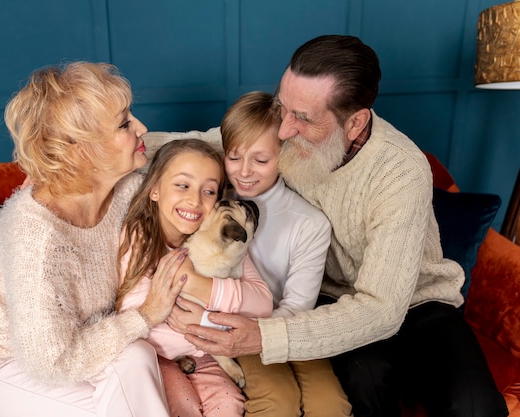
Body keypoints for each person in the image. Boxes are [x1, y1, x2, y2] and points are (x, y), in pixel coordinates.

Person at [171, 35, 509, 416]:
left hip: (416, 300)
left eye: (303, 118)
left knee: (476, 405)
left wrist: (261, 337)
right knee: (365, 382)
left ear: (355, 123)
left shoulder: (400, 172)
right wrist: (116, 143)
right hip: (331, 299)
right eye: (283, 108)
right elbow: (202, 142)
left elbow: (381, 309)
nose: (283, 130)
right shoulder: (284, 134)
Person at [0, 62, 188, 417]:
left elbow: (190, 151)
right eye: (124, 123)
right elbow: (52, 361)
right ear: (80, 151)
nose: (143, 128)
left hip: (79, 339)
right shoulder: (38, 239)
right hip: (2, 358)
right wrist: (147, 314)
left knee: (137, 358)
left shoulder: (126, 184)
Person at [216, 90, 351, 417]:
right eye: (234, 157)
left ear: (286, 154)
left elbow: (298, 307)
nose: (244, 171)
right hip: (236, 326)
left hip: (292, 328)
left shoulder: (309, 223)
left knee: (331, 406)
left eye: (261, 160)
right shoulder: (212, 206)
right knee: (277, 402)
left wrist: (261, 337)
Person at [116, 138, 273, 417]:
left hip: (204, 350)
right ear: (154, 190)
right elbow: (137, 315)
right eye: (182, 185)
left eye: (209, 190)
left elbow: (262, 303)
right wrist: (204, 331)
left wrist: (200, 308)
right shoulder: (138, 238)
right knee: (183, 405)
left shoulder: (218, 235)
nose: (195, 200)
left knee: (229, 405)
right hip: (157, 354)